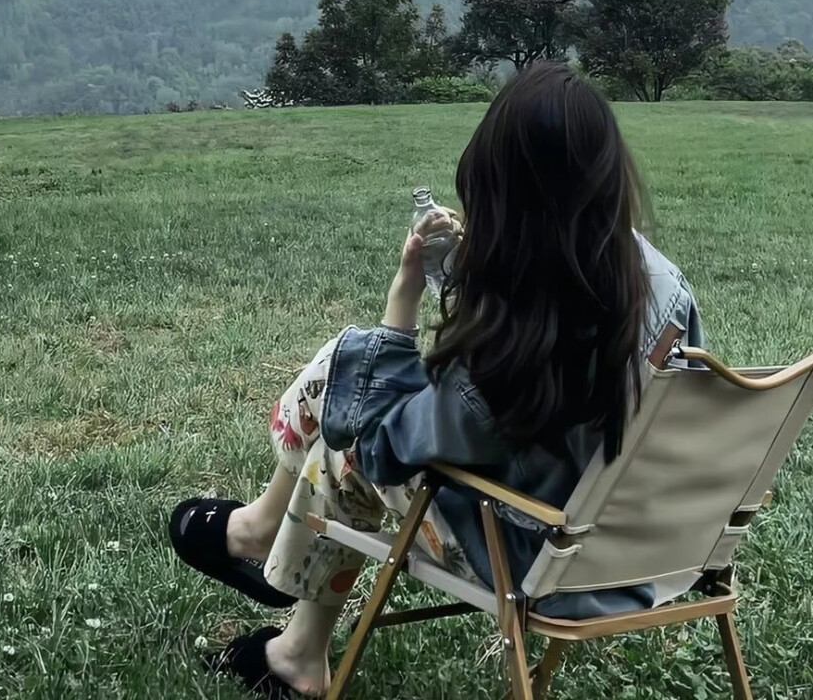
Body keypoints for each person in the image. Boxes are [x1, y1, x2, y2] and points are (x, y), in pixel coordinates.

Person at [169, 62, 704, 699]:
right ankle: (270, 573)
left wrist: (403, 303)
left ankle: (266, 567)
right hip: (651, 549)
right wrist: (483, 278)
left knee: (341, 438)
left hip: (542, 559)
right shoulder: (660, 285)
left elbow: (384, 447)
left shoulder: (507, 366)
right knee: (346, 391)